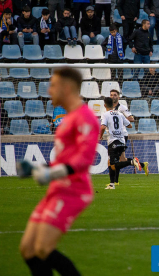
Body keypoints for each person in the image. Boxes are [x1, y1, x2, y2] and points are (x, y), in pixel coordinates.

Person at [18, 67, 100, 276]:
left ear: (66, 88)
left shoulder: (86, 118)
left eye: (53, 85)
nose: (49, 91)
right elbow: (65, 160)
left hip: (74, 190)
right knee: (27, 249)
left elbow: (84, 159)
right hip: (57, 188)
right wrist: (37, 168)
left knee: (43, 249)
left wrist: (50, 174)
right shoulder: (68, 118)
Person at [100, 97, 144, 190]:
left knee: (113, 165)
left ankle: (132, 162)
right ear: (113, 104)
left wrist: (100, 136)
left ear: (105, 105)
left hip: (113, 141)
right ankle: (112, 184)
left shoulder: (105, 114)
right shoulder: (120, 114)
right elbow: (130, 125)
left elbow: (102, 127)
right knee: (111, 162)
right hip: (122, 140)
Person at [109, 89, 143, 171]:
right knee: (122, 159)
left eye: (115, 95)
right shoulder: (108, 107)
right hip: (113, 135)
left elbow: (132, 119)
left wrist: (120, 118)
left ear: (118, 97)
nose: (113, 96)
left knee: (114, 160)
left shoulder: (122, 108)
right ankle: (140, 164)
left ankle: (114, 181)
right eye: (111, 95)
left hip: (121, 135)